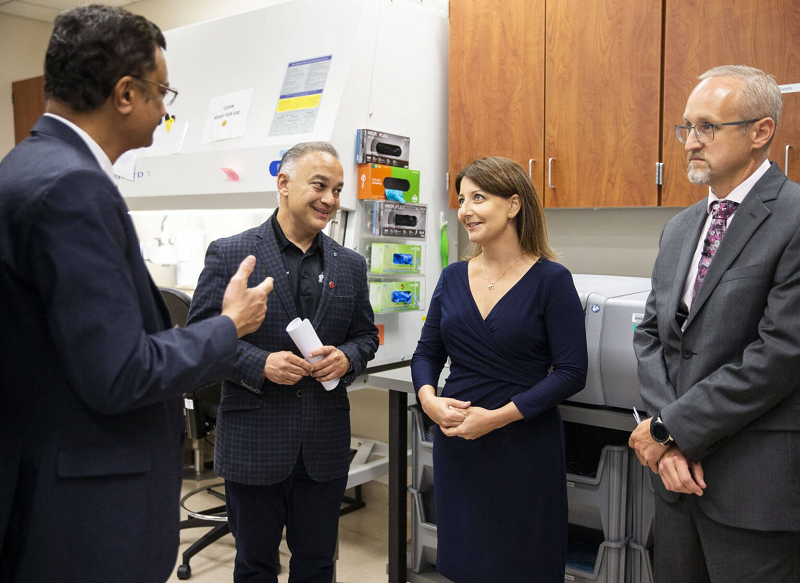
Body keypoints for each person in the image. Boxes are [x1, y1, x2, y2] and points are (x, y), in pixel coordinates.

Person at [0, 5, 273, 583]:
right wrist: (229, 325)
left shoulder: (24, 168)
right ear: (126, 93)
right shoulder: (73, 187)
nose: (163, 111)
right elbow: (120, 373)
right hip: (85, 514)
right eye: (163, 94)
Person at [630, 65, 800, 583]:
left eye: (707, 127)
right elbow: (652, 336)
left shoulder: (793, 217)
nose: (690, 143)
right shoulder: (680, 228)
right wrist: (668, 442)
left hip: (753, 488)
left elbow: (780, 353)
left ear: (760, 131)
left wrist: (669, 429)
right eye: (686, 128)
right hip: (675, 481)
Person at [187, 141, 379, 583]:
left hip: (323, 445)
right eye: (320, 186)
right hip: (254, 441)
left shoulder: (349, 265)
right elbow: (199, 340)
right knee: (255, 565)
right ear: (284, 183)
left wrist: (346, 358)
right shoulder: (232, 253)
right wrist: (261, 363)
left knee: (316, 565)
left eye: (337, 189)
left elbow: (365, 336)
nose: (330, 199)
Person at [411, 156, 588, 583]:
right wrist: (429, 400)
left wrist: (495, 419)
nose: (465, 209)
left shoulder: (552, 280)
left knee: (522, 565)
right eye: (461, 199)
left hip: (522, 444)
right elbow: (426, 354)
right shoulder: (452, 277)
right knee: (466, 563)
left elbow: (571, 372)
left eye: (478, 197)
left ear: (513, 205)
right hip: (460, 447)